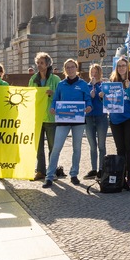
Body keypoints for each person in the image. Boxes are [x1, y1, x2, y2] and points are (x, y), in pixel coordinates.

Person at [43, 59, 92, 188]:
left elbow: (88, 100)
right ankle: (49, 176)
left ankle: (74, 174)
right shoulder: (61, 84)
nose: (70, 69)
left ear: (76, 68)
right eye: (68, 67)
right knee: (56, 148)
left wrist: (89, 107)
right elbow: (55, 99)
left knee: (77, 149)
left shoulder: (83, 84)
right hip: (63, 121)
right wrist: (53, 108)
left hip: (78, 121)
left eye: (72, 67)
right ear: (65, 70)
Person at [108, 57, 130, 190]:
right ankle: (121, 174)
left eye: (123, 65)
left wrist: (128, 88)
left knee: (129, 147)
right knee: (120, 149)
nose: (121, 68)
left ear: (128, 67)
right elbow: (108, 102)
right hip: (115, 119)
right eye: (119, 66)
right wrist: (101, 97)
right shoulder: (112, 82)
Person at [30, 52, 61, 181]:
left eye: (41, 63)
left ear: (48, 64)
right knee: (38, 147)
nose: (39, 65)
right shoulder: (33, 79)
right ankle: (40, 171)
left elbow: (60, 97)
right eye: (38, 63)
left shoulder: (56, 80)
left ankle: (51, 171)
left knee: (52, 147)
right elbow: (29, 96)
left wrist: (52, 94)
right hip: (38, 117)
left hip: (51, 118)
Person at [84, 63, 108, 180]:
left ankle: (102, 169)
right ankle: (94, 169)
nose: (94, 74)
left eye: (96, 72)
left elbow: (109, 102)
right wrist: (90, 94)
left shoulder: (104, 85)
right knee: (92, 145)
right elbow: (84, 99)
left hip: (101, 117)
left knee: (101, 145)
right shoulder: (86, 86)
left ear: (99, 73)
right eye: (92, 72)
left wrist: (103, 97)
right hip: (89, 117)